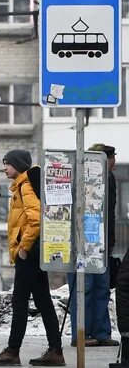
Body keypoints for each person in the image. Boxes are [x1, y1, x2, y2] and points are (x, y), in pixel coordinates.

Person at [0, 150, 66, 368]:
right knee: (43, 300)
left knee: (19, 300)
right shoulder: (24, 183)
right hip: (35, 252)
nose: (4, 168)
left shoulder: (25, 184)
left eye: (8, 164)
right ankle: (56, 351)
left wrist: (24, 247)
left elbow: (36, 218)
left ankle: (12, 350)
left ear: (18, 166)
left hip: (29, 253)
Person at [68, 143, 119, 347]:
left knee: (102, 287)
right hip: (81, 242)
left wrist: (111, 241)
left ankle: (101, 332)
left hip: (102, 242)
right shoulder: (80, 177)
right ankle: (81, 333)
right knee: (84, 287)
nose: (114, 163)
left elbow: (110, 215)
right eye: (111, 158)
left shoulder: (110, 179)